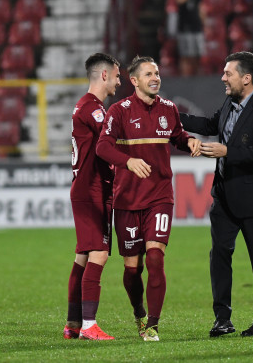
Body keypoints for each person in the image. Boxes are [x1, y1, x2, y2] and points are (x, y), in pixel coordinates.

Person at [95, 56, 201, 341]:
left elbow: (176, 135)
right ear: (134, 80)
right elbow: (102, 147)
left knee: (155, 258)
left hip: (160, 196)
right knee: (133, 269)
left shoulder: (169, 109)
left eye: (157, 73)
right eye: (149, 74)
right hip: (128, 200)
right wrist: (127, 162)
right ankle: (139, 313)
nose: (155, 78)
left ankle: (152, 324)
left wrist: (188, 140)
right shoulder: (119, 111)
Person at [179, 51, 253, 338]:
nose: (223, 78)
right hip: (224, 195)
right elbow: (211, 125)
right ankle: (222, 319)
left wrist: (228, 152)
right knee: (220, 254)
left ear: (246, 78)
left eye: (229, 74)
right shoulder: (230, 102)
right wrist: (172, 116)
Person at [63, 53, 121, 341]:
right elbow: (108, 144)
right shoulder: (93, 109)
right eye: (117, 75)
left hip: (89, 188)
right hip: (91, 189)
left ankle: (73, 323)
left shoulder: (86, 107)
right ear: (104, 75)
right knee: (98, 253)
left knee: (83, 257)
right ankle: (89, 325)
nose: (119, 81)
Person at [175, 0, 206, 76]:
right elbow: (180, 1)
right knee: (185, 54)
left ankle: (197, 75)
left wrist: (204, 22)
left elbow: (201, 8)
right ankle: (184, 76)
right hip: (184, 28)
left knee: (198, 54)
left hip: (196, 27)